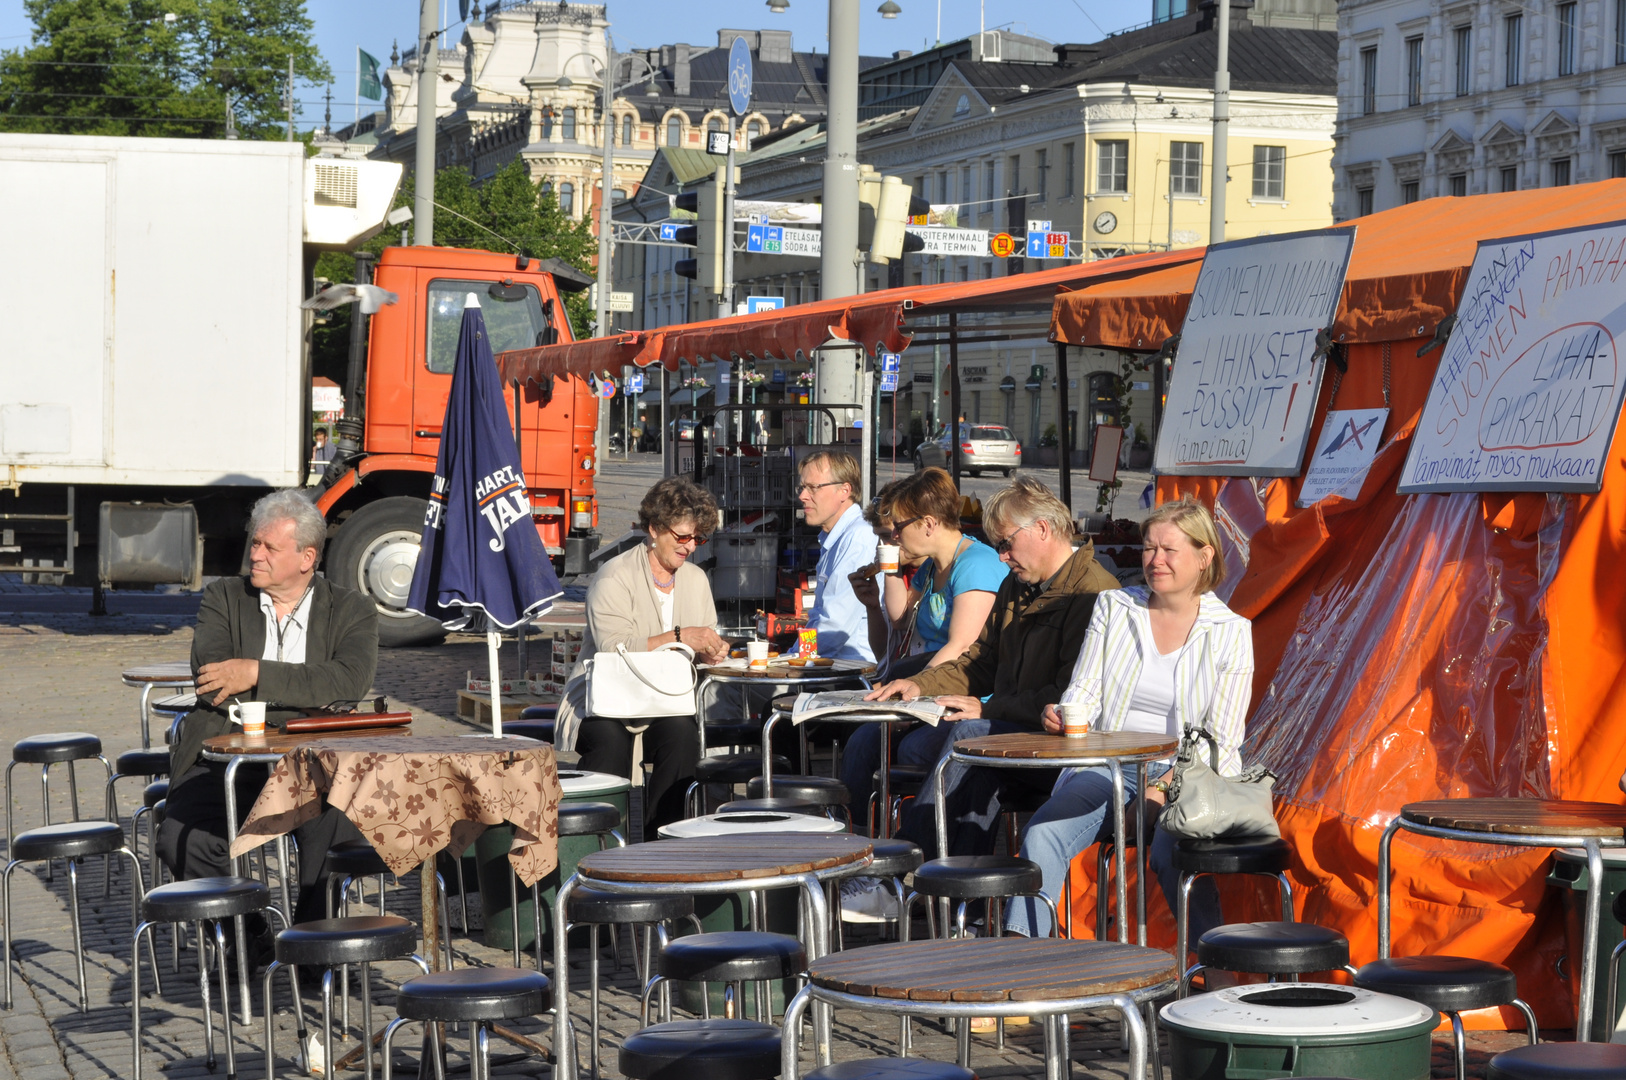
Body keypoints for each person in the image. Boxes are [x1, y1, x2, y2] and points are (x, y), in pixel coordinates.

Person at [1007, 498, 1252, 944]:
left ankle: (1216, 974)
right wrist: (1063, 714)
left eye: (1168, 550)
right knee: (1043, 832)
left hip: (1191, 775)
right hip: (1111, 764)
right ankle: (1022, 969)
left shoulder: (1232, 631)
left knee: (1172, 849)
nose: (1154, 560)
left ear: (1204, 556)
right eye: (1148, 548)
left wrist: (1163, 789)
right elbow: (1083, 689)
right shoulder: (1115, 607)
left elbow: (1222, 739)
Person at [865, 477, 1120, 859]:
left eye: (1005, 543)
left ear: (1042, 529)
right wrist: (918, 686)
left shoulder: (1092, 592)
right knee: (954, 751)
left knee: (969, 738)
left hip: (1062, 746)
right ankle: (949, 889)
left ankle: (906, 869)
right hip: (1019, 733)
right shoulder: (1020, 584)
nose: (1001, 556)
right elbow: (980, 660)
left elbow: (1072, 698)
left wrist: (989, 709)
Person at [160, 489, 378, 930]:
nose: (255, 555)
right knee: (182, 839)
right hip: (224, 759)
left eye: (269, 547)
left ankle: (316, 951)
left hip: (315, 761)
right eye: (254, 543)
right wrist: (303, 692)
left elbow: (347, 681)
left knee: (333, 832)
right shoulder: (224, 597)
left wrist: (254, 672)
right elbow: (211, 681)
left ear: (306, 557)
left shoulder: (352, 609)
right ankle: (248, 939)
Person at [555, 477, 730, 830]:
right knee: (609, 741)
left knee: (683, 735)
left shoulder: (696, 580)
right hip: (603, 697)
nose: (690, 547)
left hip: (666, 699)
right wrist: (681, 636)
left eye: (698, 538)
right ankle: (601, 841)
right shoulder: (613, 576)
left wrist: (711, 651)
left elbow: (700, 645)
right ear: (654, 529)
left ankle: (665, 842)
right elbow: (614, 647)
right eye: (682, 537)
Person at [843, 468, 1005, 834]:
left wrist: (913, 690)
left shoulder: (976, 564)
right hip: (933, 687)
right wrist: (885, 572)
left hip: (967, 692)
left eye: (899, 527)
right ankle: (859, 839)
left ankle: (902, 841)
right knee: (865, 737)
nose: (895, 535)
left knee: (905, 746)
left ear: (929, 524)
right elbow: (900, 618)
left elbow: (961, 645)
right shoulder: (933, 567)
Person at [796, 450, 875, 664]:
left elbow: (833, 627)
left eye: (813, 487)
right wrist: (789, 657)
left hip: (851, 671)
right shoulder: (835, 537)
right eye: (802, 487)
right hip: (831, 665)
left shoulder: (858, 538)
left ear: (844, 490)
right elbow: (820, 619)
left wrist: (792, 659)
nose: (803, 496)